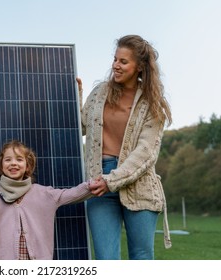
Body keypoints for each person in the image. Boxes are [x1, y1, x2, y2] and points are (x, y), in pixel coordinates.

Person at [78, 34, 172, 260]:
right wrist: (76, 96)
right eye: (115, 59)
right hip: (99, 182)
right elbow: (81, 126)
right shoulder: (101, 92)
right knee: (105, 258)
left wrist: (113, 180)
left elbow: (146, 153)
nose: (115, 66)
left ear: (139, 67)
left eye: (123, 61)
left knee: (141, 257)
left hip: (138, 183)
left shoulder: (153, 104)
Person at [0, 140, 91, 260]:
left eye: (19, 159)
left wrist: (89, 186)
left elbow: (71, 194)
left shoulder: (44, 194)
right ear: (1, 165)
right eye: (8, 159)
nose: (13, 163)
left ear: (27, 166)